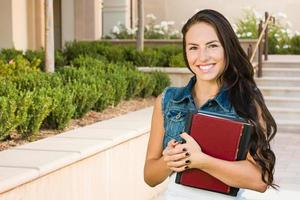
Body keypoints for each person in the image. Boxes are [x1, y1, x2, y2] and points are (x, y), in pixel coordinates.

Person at [143, 9, 277, 200]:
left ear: (226, 48)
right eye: (193, 47)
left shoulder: (245, 102)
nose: (202, 57)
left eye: (212, 46)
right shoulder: (168, 101)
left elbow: (260, 181)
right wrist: (169, 161)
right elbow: (150, 177)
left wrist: (201, 161)